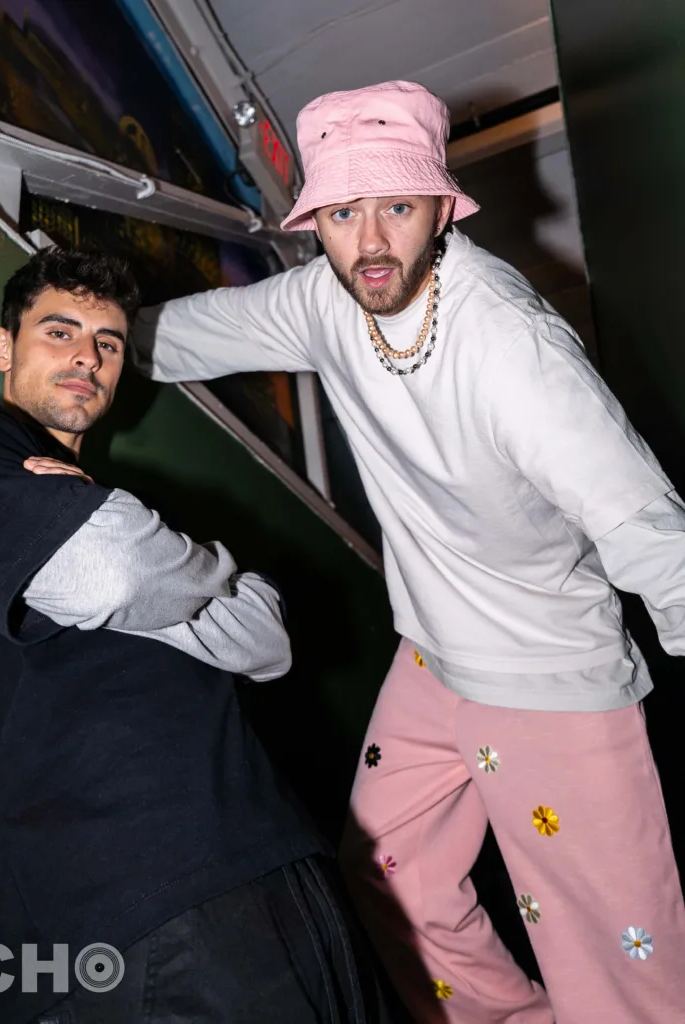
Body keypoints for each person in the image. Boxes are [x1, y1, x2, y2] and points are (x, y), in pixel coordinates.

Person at [131, 80, 685, 1023]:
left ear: (440, 204)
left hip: (550, 681)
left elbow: (645, 528)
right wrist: (82, 340)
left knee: (611, 963)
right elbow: (184, 337)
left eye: (395, 206)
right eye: (344, 213)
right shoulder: (323, 298)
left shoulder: (513, 349)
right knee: (393, 879)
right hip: (431, 657)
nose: (372, 242)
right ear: (317, 222)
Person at [0, 247, 391, 1024]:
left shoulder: (120, 504)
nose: (87, 355)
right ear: (4, 348)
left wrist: (156, 557)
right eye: (60, 331)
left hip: (283, 864)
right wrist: (195, 570)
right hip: (130, 903)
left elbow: (266, 639)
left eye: (107, 343)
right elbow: (107, 574)